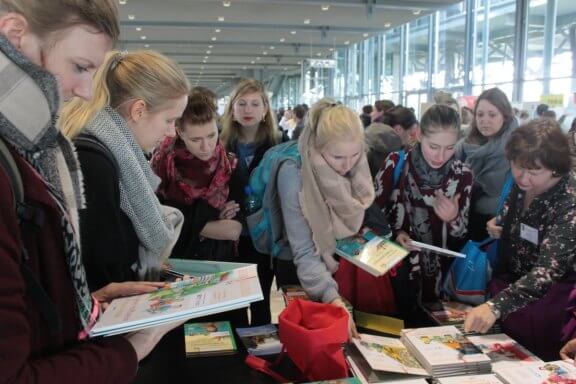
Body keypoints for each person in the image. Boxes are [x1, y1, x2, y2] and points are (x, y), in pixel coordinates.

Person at [0, 1, 184, 381]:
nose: (85, 91)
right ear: (14, 36)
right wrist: (132, 348)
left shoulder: (33, 153)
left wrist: (88, 300)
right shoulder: (26, 160)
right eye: (80, 67)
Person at [59, 50, 189, 291]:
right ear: (138, 111)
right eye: (169, 120)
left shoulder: (100, 149)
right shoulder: (94, 162)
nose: (172, 132)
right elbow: (98, 268)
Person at [464, 120, 576, 361]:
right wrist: (500, 224)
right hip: (512, 295)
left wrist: (495, 307)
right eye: (517, 167)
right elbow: (510, 213)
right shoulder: (521, 184)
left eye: (534, 172)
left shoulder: (569, 201)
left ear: (555, 168)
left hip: (548, 306)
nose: (523, 178)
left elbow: (547, 272)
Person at [272, 98, 376, 337]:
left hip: (342, 265)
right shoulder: (294, 174)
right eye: (338, 157)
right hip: (301, 270)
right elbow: (304, 250)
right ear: (317, 147)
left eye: (355, 154)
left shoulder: (355, 163)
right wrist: (332, 297)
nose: (347, 165)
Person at [374, 104, 473, 308]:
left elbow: (461, 236)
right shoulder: (396, 163)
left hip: (441, 283)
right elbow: (373, 215)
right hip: (395, 273)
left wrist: (453, 218)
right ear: (418, 134)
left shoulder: (462, 175)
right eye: (434, 146)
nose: (440, 156)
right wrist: (395, 234)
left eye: (450, 148)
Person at [151, 89, 242, 262]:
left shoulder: (230, 165)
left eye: (211, 135)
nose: (206, 147)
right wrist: (213, 220)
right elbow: (155, 222)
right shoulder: (161, 164)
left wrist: (180, 221)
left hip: (218, 261)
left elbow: (233, 230)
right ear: (179, 132)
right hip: (172, 260)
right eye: (195, 140)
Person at [220, 79, 281, 326]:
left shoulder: (279, 146)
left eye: (255, 104)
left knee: (260, 298)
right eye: (242, 104)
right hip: (230, 236)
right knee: (232, 302)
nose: (248, 110)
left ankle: (261, 358)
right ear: (232, 110)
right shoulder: (220, 145)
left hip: (264, 236)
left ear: (265, 110)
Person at [455, 87, 517, 241]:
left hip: (501, 225)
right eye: (480, 114)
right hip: (465, 220)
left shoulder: (517, 148)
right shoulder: (465, 146)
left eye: (492, 114)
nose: (485, 120)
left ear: (505, 115)